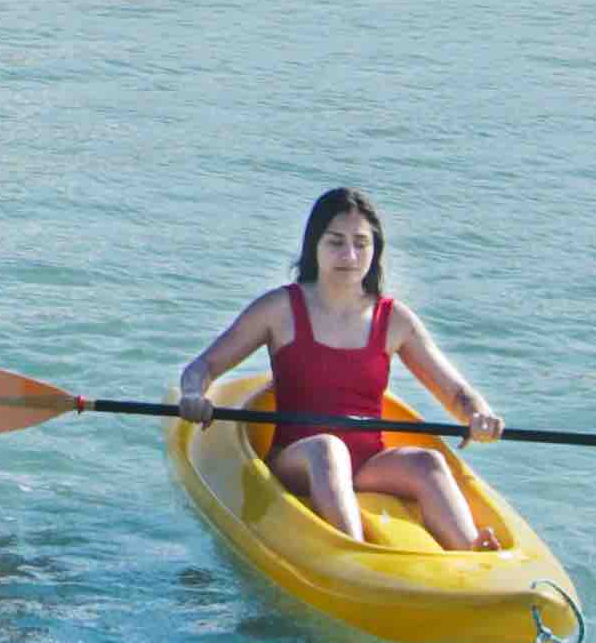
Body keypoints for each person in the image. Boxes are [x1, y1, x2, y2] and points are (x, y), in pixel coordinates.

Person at [178, 187, 506, 551]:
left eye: (361, 243)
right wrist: (194, 394)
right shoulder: (280, 309)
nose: (349, 255)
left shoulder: (394, 319)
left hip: (368, 465)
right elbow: (203, 366)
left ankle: (472, 552)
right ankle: (358, 554)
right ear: (314, 246)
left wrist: (479, 414)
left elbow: (455, 391)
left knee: (428, 463)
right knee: (328, 450)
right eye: (336, 242)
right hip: (299, 459)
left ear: (375, 250)